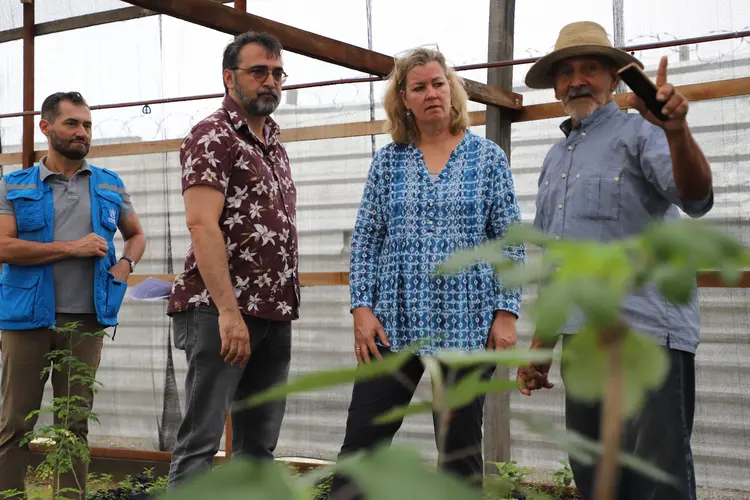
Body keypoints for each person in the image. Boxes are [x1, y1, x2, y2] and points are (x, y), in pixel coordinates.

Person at [516, 21, 713, 500]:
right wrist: (541, 348)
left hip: (645, 336)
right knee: (596, 477)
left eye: (590, 68)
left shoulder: (641, 131)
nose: (576, 80)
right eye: (565, 72)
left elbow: (696, 197)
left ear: (614, 79)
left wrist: (677, 129)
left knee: (656, 481)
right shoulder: (554, 158)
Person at [328, 47, 525, 498]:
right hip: (394, 322)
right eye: (419, 87)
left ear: (451, 90)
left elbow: (509, 240)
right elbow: (367, 240)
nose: (432, 93)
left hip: (466, 322)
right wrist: (361, 306)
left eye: (438, 83)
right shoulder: (388, 161)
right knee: (364, 438)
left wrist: (506, 311)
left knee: (458, 449)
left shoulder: (487, 158)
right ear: (404, 99)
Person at [166, 31, 298, 486]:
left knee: (258, 448)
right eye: (258, 71)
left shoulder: (275, 146)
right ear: (229, 78)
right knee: (200, 443)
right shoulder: (212, 134)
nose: (271, 82)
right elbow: (202, 225)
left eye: (278, 73)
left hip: (274, 311)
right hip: (218, 311)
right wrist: (228, 313)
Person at [0, 91, 146, 499]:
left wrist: (124, 267)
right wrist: (71, 248)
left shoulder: (109, 184)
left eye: (87, 125)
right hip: (26, 319)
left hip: (85, 320)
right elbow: (3, 247)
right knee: (14, 423)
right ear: (46, 127)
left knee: (74, 423)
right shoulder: (14, 184)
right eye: (71, 123)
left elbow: (135, 234)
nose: (82, 132)